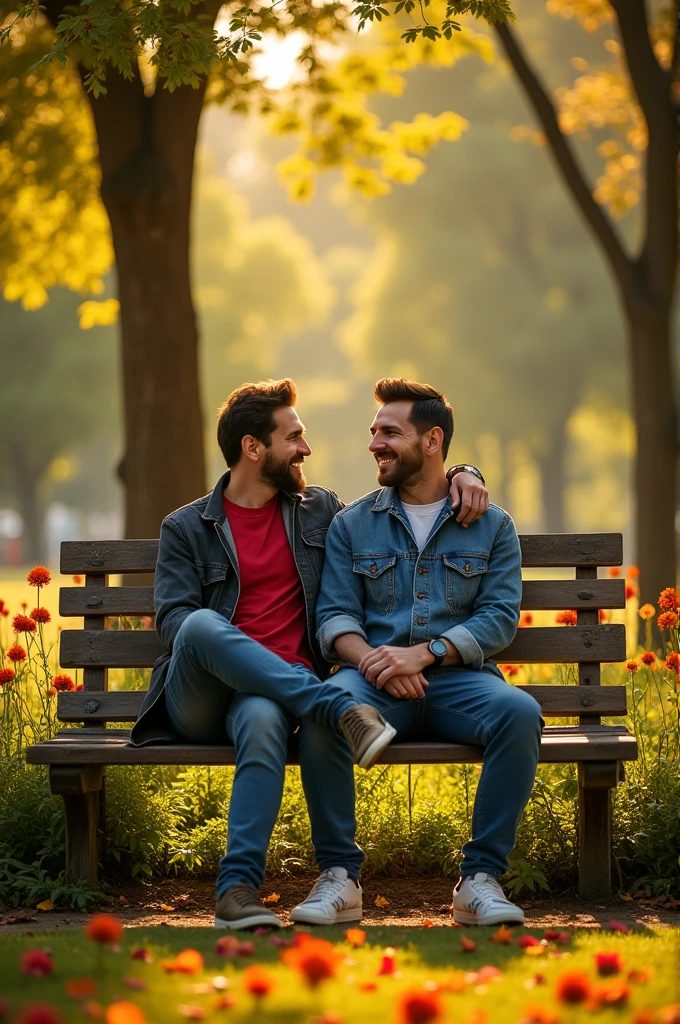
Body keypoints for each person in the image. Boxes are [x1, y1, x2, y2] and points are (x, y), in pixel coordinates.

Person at [130, 378, 489, 929]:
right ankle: (333, 706)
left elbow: (405, 493)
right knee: (199, 624)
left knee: (263, 715)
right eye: (294, 437)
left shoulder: (319, 510)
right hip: (200, 700)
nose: (306, 449)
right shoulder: (186, 527)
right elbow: (174, 626)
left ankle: (237, 892)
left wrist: (465, 474)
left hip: (271, 699)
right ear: (254, 449)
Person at [316, 377, 543, 926]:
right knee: (324, 707)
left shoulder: (492, 525)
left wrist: (425, 654)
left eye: (389, 432)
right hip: (373, 679)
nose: (374, 443)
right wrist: (376, 661)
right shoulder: (352, 523)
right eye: (373, 432)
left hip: (457, 680)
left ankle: (480, 881)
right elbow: (334, 617)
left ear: (433, 440)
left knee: (520, 713)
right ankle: (339, 879)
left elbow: (499, 618)